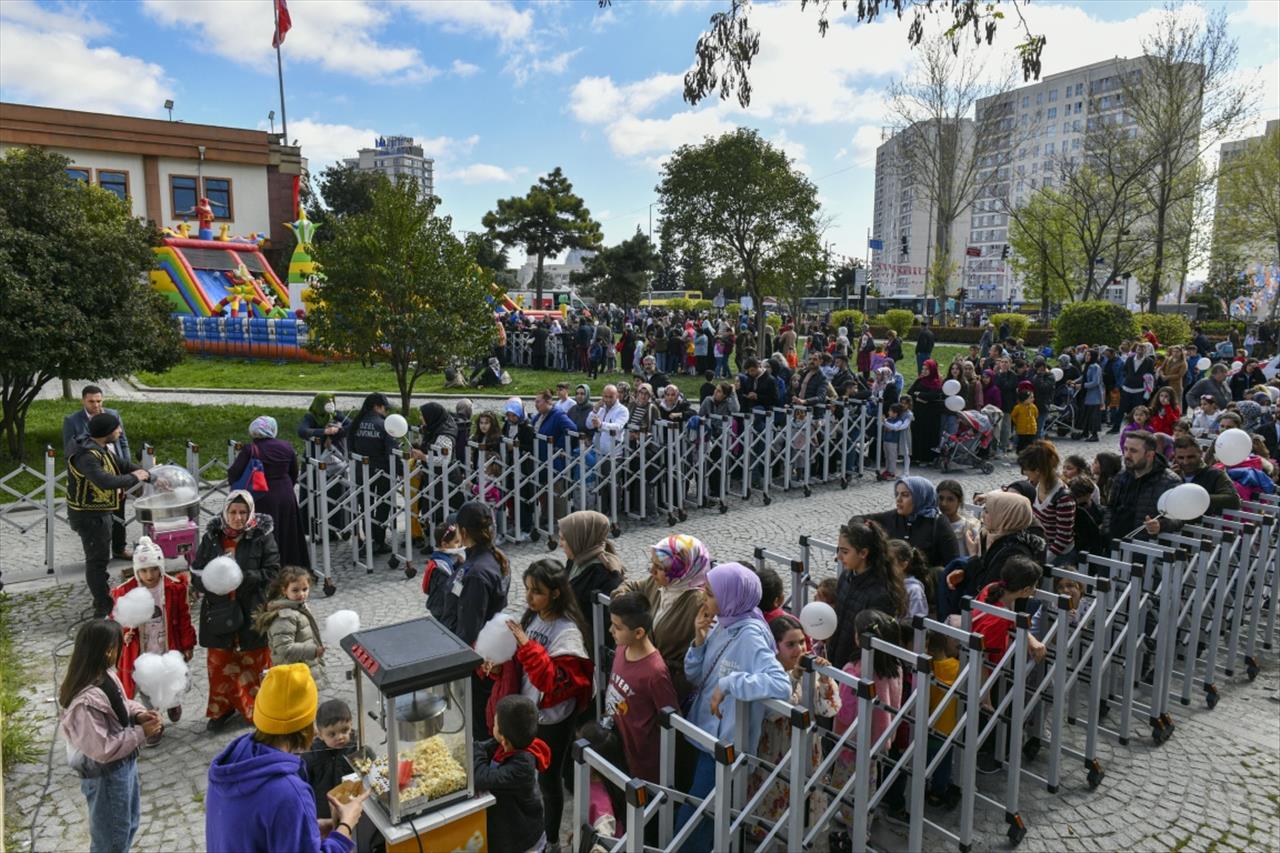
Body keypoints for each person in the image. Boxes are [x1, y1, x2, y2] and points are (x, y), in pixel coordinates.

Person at [677, 563, 791, 852]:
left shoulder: (750, 634)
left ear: (731, 597)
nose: (705, 599)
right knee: (701, 816)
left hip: (723, 743)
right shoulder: (725, 622)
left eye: (712, 594)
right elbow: (697, 676)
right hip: (704, 733)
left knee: (694, 822)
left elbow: (781, 684)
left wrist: (730, 683)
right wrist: (699, 642)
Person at [484, 559, 594, 848]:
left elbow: (552, 681)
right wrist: (498, 668)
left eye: (537, 591)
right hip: (527, 709)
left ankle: (553, 839)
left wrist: (526, 646)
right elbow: (521, 664)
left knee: (548, 781)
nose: (529, 598)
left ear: (556, 593)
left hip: (551, 720)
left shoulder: (567, 633)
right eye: (528, 589)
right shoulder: (532, 617)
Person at [206, 663, 366, 853]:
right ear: (305, 726)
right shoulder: (289, 792)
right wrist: (345, 826)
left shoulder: (232, 763)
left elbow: (259, 829)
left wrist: (309, 829)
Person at [60, 619, 163, 853]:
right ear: (107, 650)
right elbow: (103, 748)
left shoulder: (106, 674)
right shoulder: (84, 702)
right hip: (106, 777)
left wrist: (139, 715)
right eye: (119, 645)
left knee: (127, 826)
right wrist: (141, 733)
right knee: (111, 841)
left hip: (124, 766)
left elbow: (121, 704)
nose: (122, 649)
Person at [192, 490, 281, 732]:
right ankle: (221, 710)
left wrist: (244, 577)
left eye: (243, 512)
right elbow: (196, 572)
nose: (238, 517)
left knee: (255, 662)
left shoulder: (262, 537)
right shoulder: (212, 538)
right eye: (233, 512)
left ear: (250, 513)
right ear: (225, 512)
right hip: (220, 610)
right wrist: (210, 582)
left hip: (252, 609)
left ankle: (259, 708)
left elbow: (273, 572)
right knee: (220, 663)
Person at [748, 614, 841, 832]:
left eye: (801, 642)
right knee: (772, 805)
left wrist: (826, 677)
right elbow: (771, 712)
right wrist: (796, 676)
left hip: (806, 747)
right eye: (790, 644)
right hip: (775, 749)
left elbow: (828, 709)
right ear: (775, 646)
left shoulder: (811, 669)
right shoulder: (765, 671)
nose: (799, 649)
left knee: (804, 808)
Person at [67, 412, 150, 616]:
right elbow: (104, 480)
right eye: (117, 428)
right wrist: (133, 478)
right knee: (97, 562)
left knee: (100, 559)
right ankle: (103, 607)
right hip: (89, 516)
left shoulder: (99, 448)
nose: (120, 431)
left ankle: (104, 601)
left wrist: (151, 476)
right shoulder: (87, 455)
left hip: (99, 512)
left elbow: (121, 465)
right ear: (107, 432)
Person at [612, 535, 711, 703]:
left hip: (670, 683)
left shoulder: (698, 603)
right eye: (652, 564)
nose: (652, 571)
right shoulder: (658, 583)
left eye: (659, 567)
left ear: (681, 569)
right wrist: (625, 605)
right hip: (644, 674)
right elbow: (630, 587)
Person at [110, 536, 195, 721]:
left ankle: (173, 702)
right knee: (144, 684)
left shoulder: (173, 588)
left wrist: (187, 644)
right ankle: (153, 719)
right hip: (141, 650)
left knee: (171, 677)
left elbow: (183, 618)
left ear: (161, 567)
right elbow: (116, 620)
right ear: (136, 570)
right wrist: (124, 634)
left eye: (154, 569)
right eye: (144, 571)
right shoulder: (125, 592)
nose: (149, 575)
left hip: (167, 644)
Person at [447, 501, 511, 739]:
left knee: (481, 725)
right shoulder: (488, 559)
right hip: (487, 653)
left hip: (478, 662)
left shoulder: (476, 572)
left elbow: (470, 627)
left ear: (463, 533)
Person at [604, 592, 679, 784]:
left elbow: (671, 718)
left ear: (638, 633)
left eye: (618, 627)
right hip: (619, 747)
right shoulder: (622, 647)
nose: (611, 630)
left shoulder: (655, 672)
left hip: (643, 762)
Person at [939, 490, 1044, 619]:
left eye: (988, 511)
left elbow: (986, 588)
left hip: (993, 615)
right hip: (985, 609)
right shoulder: (997, 538)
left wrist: (973, 555)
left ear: (1005, 515)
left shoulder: (1013, 551)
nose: (983, 515)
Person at [227, 416, 310, 570]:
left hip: (261, 496)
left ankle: (265, 569)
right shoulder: (287, 446)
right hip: (286, 495)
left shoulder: (250, 449)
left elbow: (234, 473)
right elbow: (294, 472)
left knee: (264, 533)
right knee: (287, 533)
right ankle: (290, 569)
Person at [63, 385, 134, 561]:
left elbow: (123, 442)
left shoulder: (113, 414)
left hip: (115, 466)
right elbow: (69, 450)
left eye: (99, 401)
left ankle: (119, 548)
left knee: (119, 512)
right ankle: (99, 554)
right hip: (93, 474)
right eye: (91, 401)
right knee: (99, 518)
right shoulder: (72, 421)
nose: (96, 405)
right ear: (83, 401)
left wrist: (126, 465)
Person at [474, 695, 549, 853]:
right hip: (509, 831)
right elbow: (482, 746)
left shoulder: (522, 766)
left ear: (504, 739)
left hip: (523, 841)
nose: (492, 726)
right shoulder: (511, 743)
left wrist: (475, 750)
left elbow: (482, 777)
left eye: (494, 724)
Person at [827, 519, 906, 668]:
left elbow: (874, 642)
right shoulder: (846, 577)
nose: (838, 557)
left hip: (857, 667)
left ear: (863, 553)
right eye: (839, 550)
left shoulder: (880, 594)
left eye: (845, 552)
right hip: (836, 657)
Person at [863, 476, 960, 575]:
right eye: (897, 494)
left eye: (905, 495)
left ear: (920, 497)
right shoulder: (894, 516)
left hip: (924, 585)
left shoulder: (938, 522)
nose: (898, 499)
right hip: (893, 582)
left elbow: (954, 563)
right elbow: (858, 519)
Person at [1104, 431, 1181, 543]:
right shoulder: (1121, 475)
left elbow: (1180, 518)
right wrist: (1107, 530)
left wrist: (1161, 525)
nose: (1127, 455)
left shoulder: (1170, 481)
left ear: (1149, 455)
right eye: (1125, 449)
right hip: (1115, 542)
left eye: (1133, 451)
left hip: (1144, 547)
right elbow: (1111, 507)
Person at [253, 565, 325, 677]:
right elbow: (284, 648)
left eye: (305, 589)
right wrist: (314, 651)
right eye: (295, 590)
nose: (301, 594)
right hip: (292, 674)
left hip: (301, 669)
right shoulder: (285, 616)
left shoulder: (299, 608)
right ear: (284, 590)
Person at [348, 393, 396, 556]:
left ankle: (368, 539)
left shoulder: (356, 423)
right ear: (377, 406)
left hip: (362, 470)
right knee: (383, 505)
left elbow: (350, 447)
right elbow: (392, 451)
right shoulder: (384, 425)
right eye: (385, 408)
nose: (386, 412)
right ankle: (379, 540)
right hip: (382, 471)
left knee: (365, 506)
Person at [1018, 441, 1075, 562]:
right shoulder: (1034, 485)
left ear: (1038, 470)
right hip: (1040, 547)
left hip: (1057, 556)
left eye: (1026, 469)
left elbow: (1063, 538)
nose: (1024, 473)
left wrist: (1041, 560)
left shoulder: (1063, 498)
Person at [302, 699, 355, 821]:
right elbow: (302, 785)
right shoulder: (311, 755)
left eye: (344, 730)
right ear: (319, 734)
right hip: (322, 814)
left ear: (351, 725)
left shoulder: (357, 748)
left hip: (351, 809)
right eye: (332, 734)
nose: (340, 737)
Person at [1171, 436, 1241, 515]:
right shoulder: (1170, 475)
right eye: (1181, 458)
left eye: (1191, 457)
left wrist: (1198, 498)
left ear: (1200, 453)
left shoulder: (1215, 474)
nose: (1186, 462)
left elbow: (1234, 500)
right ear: (1175, 457)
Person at [1011, 386, 1038, 451]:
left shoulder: (1033, 407)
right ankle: (1020, 453)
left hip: (1032, 429)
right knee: (1021, 443)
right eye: (1031, 398)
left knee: (1031, 443)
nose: (1033, 399)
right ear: (1024, 399)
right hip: (1022, 430)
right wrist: (1017, 422)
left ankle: (1029, 454)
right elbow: (1013, 416)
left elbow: (1036, 415)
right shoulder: (1018, 407)